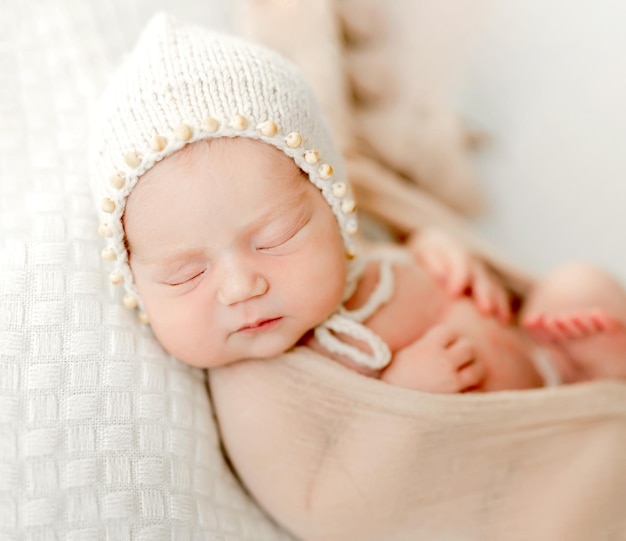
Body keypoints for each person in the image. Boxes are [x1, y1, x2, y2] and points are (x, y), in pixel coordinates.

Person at [91, 13, 626, 395]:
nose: (240, 286)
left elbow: (400, 237)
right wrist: (402, 391)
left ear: (331, 205)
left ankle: (595, 366)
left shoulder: (355, 248)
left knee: (580, 284)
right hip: (527, 426)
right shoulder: (270, 390)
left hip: (536, 345)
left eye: (275, 237)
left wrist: (437, 250)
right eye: (185, 274)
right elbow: (343, 482)